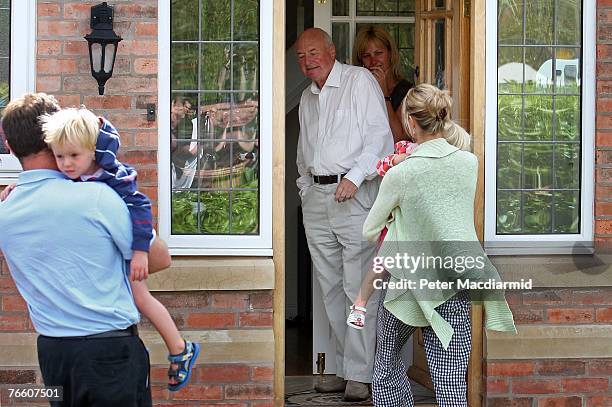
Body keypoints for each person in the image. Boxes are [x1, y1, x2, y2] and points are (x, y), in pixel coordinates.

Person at [0, 92, 169, 406]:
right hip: (109, 354)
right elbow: (160, 258)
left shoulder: (5, 211)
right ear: (53, 138)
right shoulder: (98, 197)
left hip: (53, 354)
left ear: (8, 145)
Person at [362, 84, 516, 406]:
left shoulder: (401, 174)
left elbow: (370, 229)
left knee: (386, 367)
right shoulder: (468, 163)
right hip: (454, 280)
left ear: (409, 123)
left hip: (408, 285)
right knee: (451, 383)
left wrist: (399, 217)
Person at [39, 106, 200, 392]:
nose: (66, 164)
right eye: (59, 156)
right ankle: (174, 348)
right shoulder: (74, 175)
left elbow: (140, 207)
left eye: (74, 156)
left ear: (92, 150)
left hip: (128, 251)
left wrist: (139, 252)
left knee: (141, 297)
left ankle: (180, 348)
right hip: (108, 253)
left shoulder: (113, 174)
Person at [295, 28, 394, 401]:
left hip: (352, 196)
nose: (308, 60)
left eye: (314, 52)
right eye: (301, 56)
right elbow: (304, 150)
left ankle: (361, 374)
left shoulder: (359, 81)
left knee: (358, 287)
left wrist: (353, 178)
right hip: (317, 198)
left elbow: (379, 139)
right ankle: (342, 367)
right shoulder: (307, 96)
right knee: (330, 288)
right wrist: (304, 187)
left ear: (331, 51)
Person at [352, 25, 413, 143]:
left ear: (390, 53)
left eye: (378, 53)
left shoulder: (406, 91)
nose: (373, 61)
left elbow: (397, 137)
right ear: (361, 61)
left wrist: (384, 92)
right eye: (366, 56)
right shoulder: (358, 90)